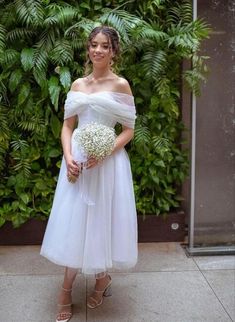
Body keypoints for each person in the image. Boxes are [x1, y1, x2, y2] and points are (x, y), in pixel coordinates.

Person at [40, 25, 138, 322]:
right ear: (88, 48)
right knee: (75, 222)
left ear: (113, 51)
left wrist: (106, 151)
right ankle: (66, 290)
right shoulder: (77, 86)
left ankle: (101, 279)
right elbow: (68, 126)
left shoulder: (121, 85)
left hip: (108, 163)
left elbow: (129, 131)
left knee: (102, 221)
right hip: (78, 164)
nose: (97, 50)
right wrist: (69, 156)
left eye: (104, 46)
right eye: (93, 44)